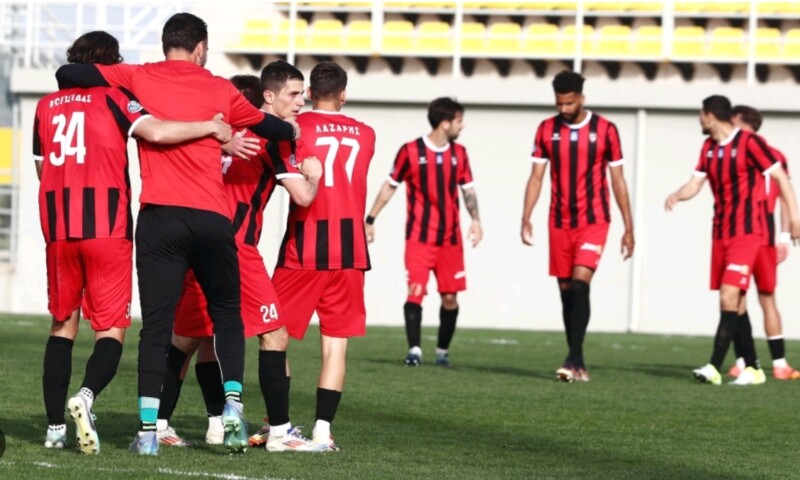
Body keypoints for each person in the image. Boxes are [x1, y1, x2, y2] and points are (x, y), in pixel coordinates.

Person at [55, 13, 299, 455]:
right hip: (211, 219)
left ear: (166, 43)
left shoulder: (138, 76)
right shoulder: (221, 88)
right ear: (201, 47)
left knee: (157, 328)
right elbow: (271, 128)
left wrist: (119, 89)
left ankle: (149, 432)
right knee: (227, 315)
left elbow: (69, 73)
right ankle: (231, 405)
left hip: (159, 218)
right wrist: (291, 128)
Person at [35, 31, 232, 454]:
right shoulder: (114, 96)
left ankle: (53, 430)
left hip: (58, 229)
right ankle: (86, 396)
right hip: (107, 227)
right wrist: (211, 128)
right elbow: (156, 132)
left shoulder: (44, 106)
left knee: (62, 326)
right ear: (110, 63)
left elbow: (40, 168)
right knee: (111, 329)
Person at [155, 64, 326, 453]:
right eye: (294, 94)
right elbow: (302, 197)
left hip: (195, 243)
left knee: (187, 337)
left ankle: (162, 423)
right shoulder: (273, 138)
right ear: (268, 96)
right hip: (236, 248)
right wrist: (314, 176)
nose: (301, 101)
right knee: (274, 333)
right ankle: (279, 432)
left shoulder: (221, 130)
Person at [271, 61, 376, 451]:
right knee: (335, 345)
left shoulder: (296, 128)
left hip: (305, 248)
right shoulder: (367, 133)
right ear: (344, 94)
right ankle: (322, 430)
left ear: (310, 93)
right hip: (351, 252)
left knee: (274, 336)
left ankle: (278, 423)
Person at [664, 95, 800, 386]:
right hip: (720, 233)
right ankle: (753, 368)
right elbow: (695, 183)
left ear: (710, 115)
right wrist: (677, 194)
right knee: (734, 303)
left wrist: (795, 220)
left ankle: (715, 366)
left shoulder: (750, 143)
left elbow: (781, 178)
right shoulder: (708, 147)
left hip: (748, 233)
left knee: (731, 295)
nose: (699, 120)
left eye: (701, 115)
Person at [521, 70, 635, 383]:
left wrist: (629, 227)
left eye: (569, 103)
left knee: (581, 283)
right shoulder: (546, 129)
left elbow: (618, 180)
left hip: (594, 220)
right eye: (559, 103)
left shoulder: (606, 130)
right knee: (566, 293)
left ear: (582, 98)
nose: (564, 109)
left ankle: (572, 358)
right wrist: (526, 215)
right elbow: (536, 177)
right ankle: (577, 359)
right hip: (559, 221)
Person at [364, 97, 482, 368]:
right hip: (419, 238)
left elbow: (468, 190)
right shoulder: (410, 151)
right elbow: (390, 185)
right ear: (445, 123)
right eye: (459, 121)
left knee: (450, 298)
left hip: (450, 240)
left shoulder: (460, 154)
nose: (462, 126)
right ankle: (414, 350)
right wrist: (370, 219)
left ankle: (442, 352)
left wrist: (476, 220)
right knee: (415, 291)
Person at [725, 105, 800, 381]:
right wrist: (783, 237)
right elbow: (785, 195)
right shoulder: (775, 154)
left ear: (745, 125)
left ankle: (753, 362)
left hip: (752, 235)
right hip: (761, 236)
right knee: (754, 298)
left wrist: (783, 236)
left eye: (733, 121)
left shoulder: (742, 152)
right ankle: (769, 363)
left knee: (746, 298)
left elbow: (782, 195)